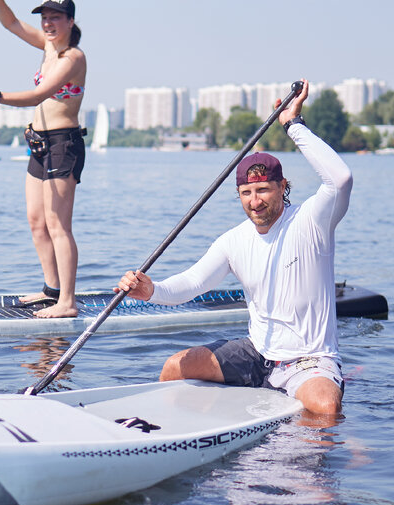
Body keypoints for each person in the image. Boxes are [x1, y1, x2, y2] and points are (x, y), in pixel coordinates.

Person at [115, 80, 353, 416]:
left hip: (308, 359)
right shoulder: (233, 240)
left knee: (326, 408)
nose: (255, 202)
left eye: (264, 190)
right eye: (246, 193)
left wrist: (293, 125)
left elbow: (340, 179)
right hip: (256, 355)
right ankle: (167, 434)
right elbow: (193, 283)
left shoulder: (313, 220)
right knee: (173, 368)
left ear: (283, 186)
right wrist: (150, 289)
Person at [0, 0, 87, 319]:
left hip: (64, 144)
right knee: (36, 221)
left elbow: (39, 94)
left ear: (70, 21)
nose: (48, 23)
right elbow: (11, 24)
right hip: (38, 143)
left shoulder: (72, 58)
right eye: (45, 18)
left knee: (57, 223)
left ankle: (68, 301)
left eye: (55, 18)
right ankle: (51, 291)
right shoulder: (48, 47)